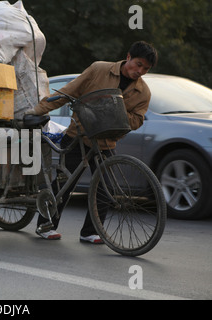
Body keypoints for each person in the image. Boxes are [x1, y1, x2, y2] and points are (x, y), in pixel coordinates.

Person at [29, 41, 158, 242]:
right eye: (138, 64)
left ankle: (90, 231)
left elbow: (138, 119)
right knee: (65, 184)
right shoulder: (99, 69)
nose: (139, 71)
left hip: (106, 142)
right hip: (78, 136)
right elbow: (69, 91)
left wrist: (117, 110)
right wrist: (36, 111)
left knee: (107, 188)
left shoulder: (143, 92)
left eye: (145, 69)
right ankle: (46, 225)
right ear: (128, 56)